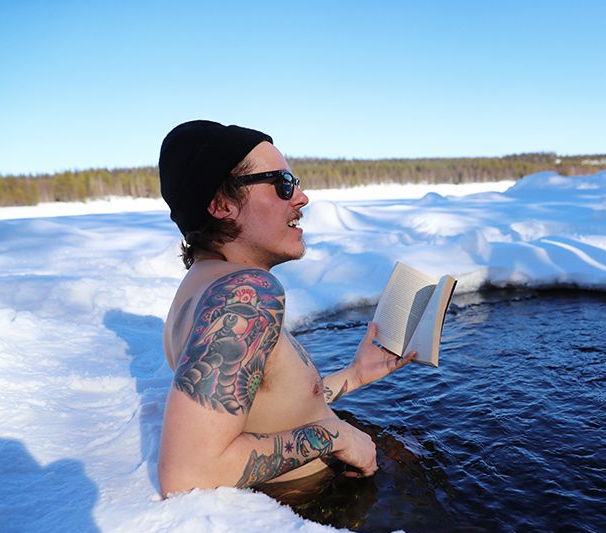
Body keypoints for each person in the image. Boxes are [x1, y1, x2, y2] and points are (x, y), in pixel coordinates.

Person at [156, 120, 415, 498]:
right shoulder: (245, 294)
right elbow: (188, 474)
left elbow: (267, 406)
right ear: (222, 204)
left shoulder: (206, 285)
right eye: (282, 184)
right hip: (319, 507)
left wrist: (355, 375)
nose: (302, 198)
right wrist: (335, 436)